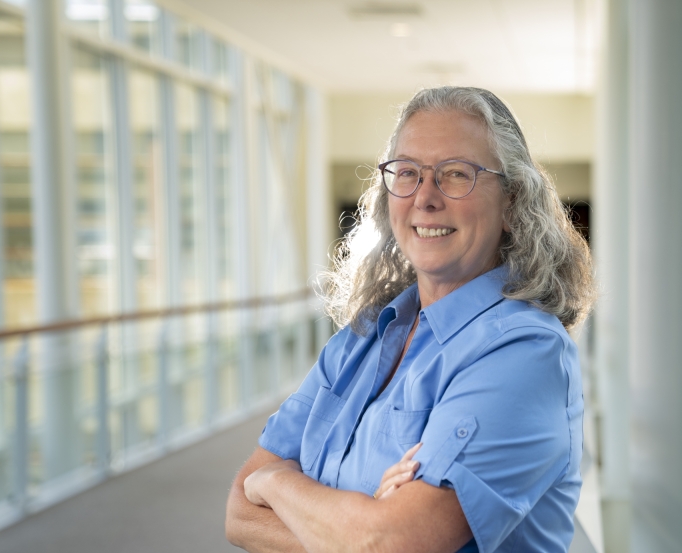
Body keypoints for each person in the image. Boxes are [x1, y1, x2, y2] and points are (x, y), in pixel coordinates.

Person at [225, 86, 595, 553]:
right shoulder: (362, 338)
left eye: (456, 174)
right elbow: (239, 511)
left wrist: (277, 484)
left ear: (512, 203)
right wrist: (355, 526)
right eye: (407, 173)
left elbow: (391, 543)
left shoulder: (525, 353)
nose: (425, 197)